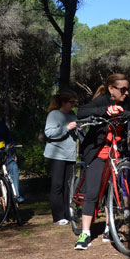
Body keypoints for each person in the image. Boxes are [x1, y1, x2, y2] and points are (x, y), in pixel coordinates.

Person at [74, 73, 130, 250]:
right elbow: (82, 112)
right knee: (93, 192)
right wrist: (106, 111)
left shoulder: (126, 102)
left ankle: (108, 228)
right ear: (112, 89)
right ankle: (85, 233)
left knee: (112, 191)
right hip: (98, 151)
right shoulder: (102, 100)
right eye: (123, 89)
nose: (126, 93)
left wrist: (125, 113)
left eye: (128, 89)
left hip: (117, 153)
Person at [43, 90, 79, 226]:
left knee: (68, 186)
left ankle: (67, 213)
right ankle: (58, 216)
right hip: (56, 155)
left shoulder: (72, 114)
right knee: (57, 185)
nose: (73, 105)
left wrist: (78, 129)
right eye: (71, 102)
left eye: (74, 102)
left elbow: (74, 133)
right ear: (63, 102)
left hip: (69, 156)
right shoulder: (54, 114)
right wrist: (66, 127)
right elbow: (49, 133)